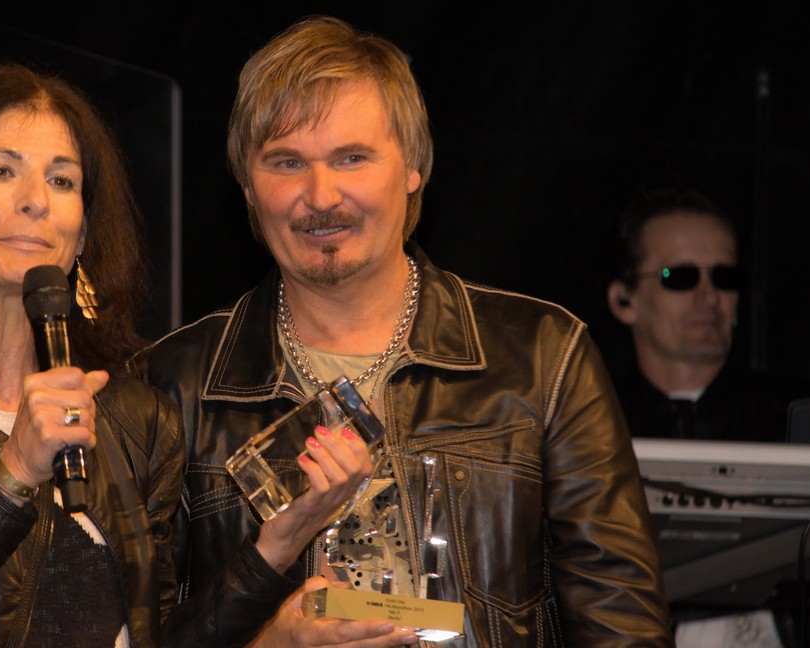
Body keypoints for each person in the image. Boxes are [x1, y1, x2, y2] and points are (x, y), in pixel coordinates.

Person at [140, 16, 673, 647]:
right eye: (287, 162)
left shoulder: (541, 356)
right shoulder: (177, 383)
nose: (321, 195)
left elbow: (623, 626)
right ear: (249, 189)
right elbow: (130, 634)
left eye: (352, 158)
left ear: (414, 166)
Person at [0, 63, 370, 648]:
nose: (36, 201)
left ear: (80, 233)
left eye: (62, 181)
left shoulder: (138, 419)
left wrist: (275, 547)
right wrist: (12, 472)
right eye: (1, 171)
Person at [605, 188, 789, 442]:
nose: (710, 296)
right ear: (624, 300)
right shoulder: (584, 425)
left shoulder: (793, 419)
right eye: (680, 277)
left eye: (724, 277)